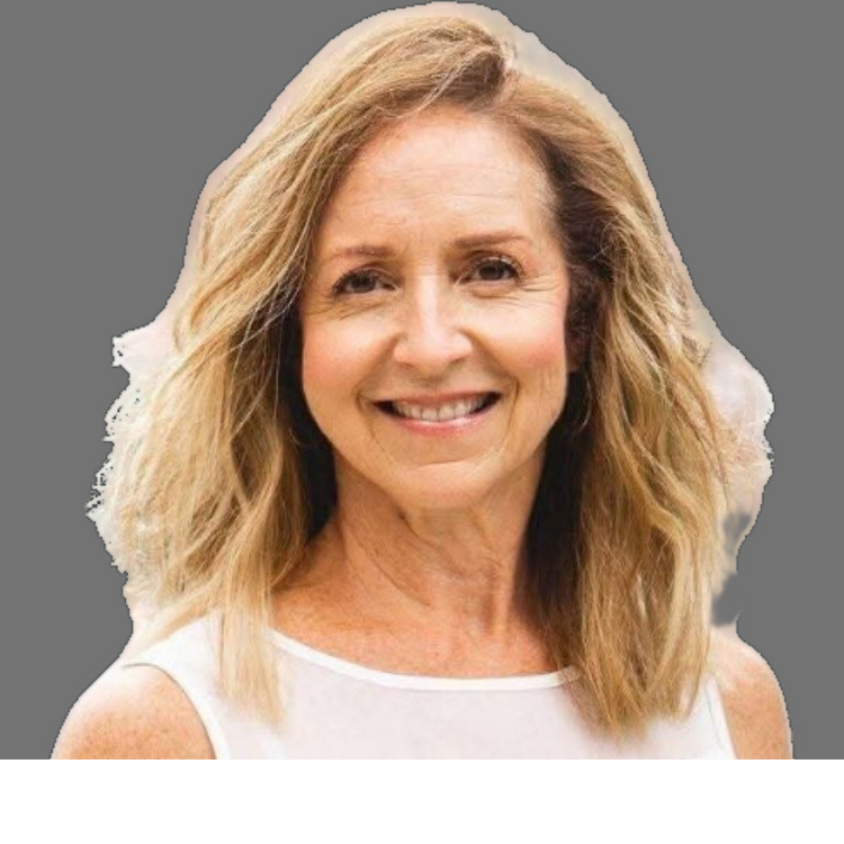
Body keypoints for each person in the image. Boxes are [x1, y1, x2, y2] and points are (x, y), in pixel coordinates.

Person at [51, 4, 791, 767]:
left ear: (582, 320)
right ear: (289, 338)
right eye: (364, 282)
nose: (432, 346)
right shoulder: (163, 732)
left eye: (492, 270)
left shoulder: (728, 711)